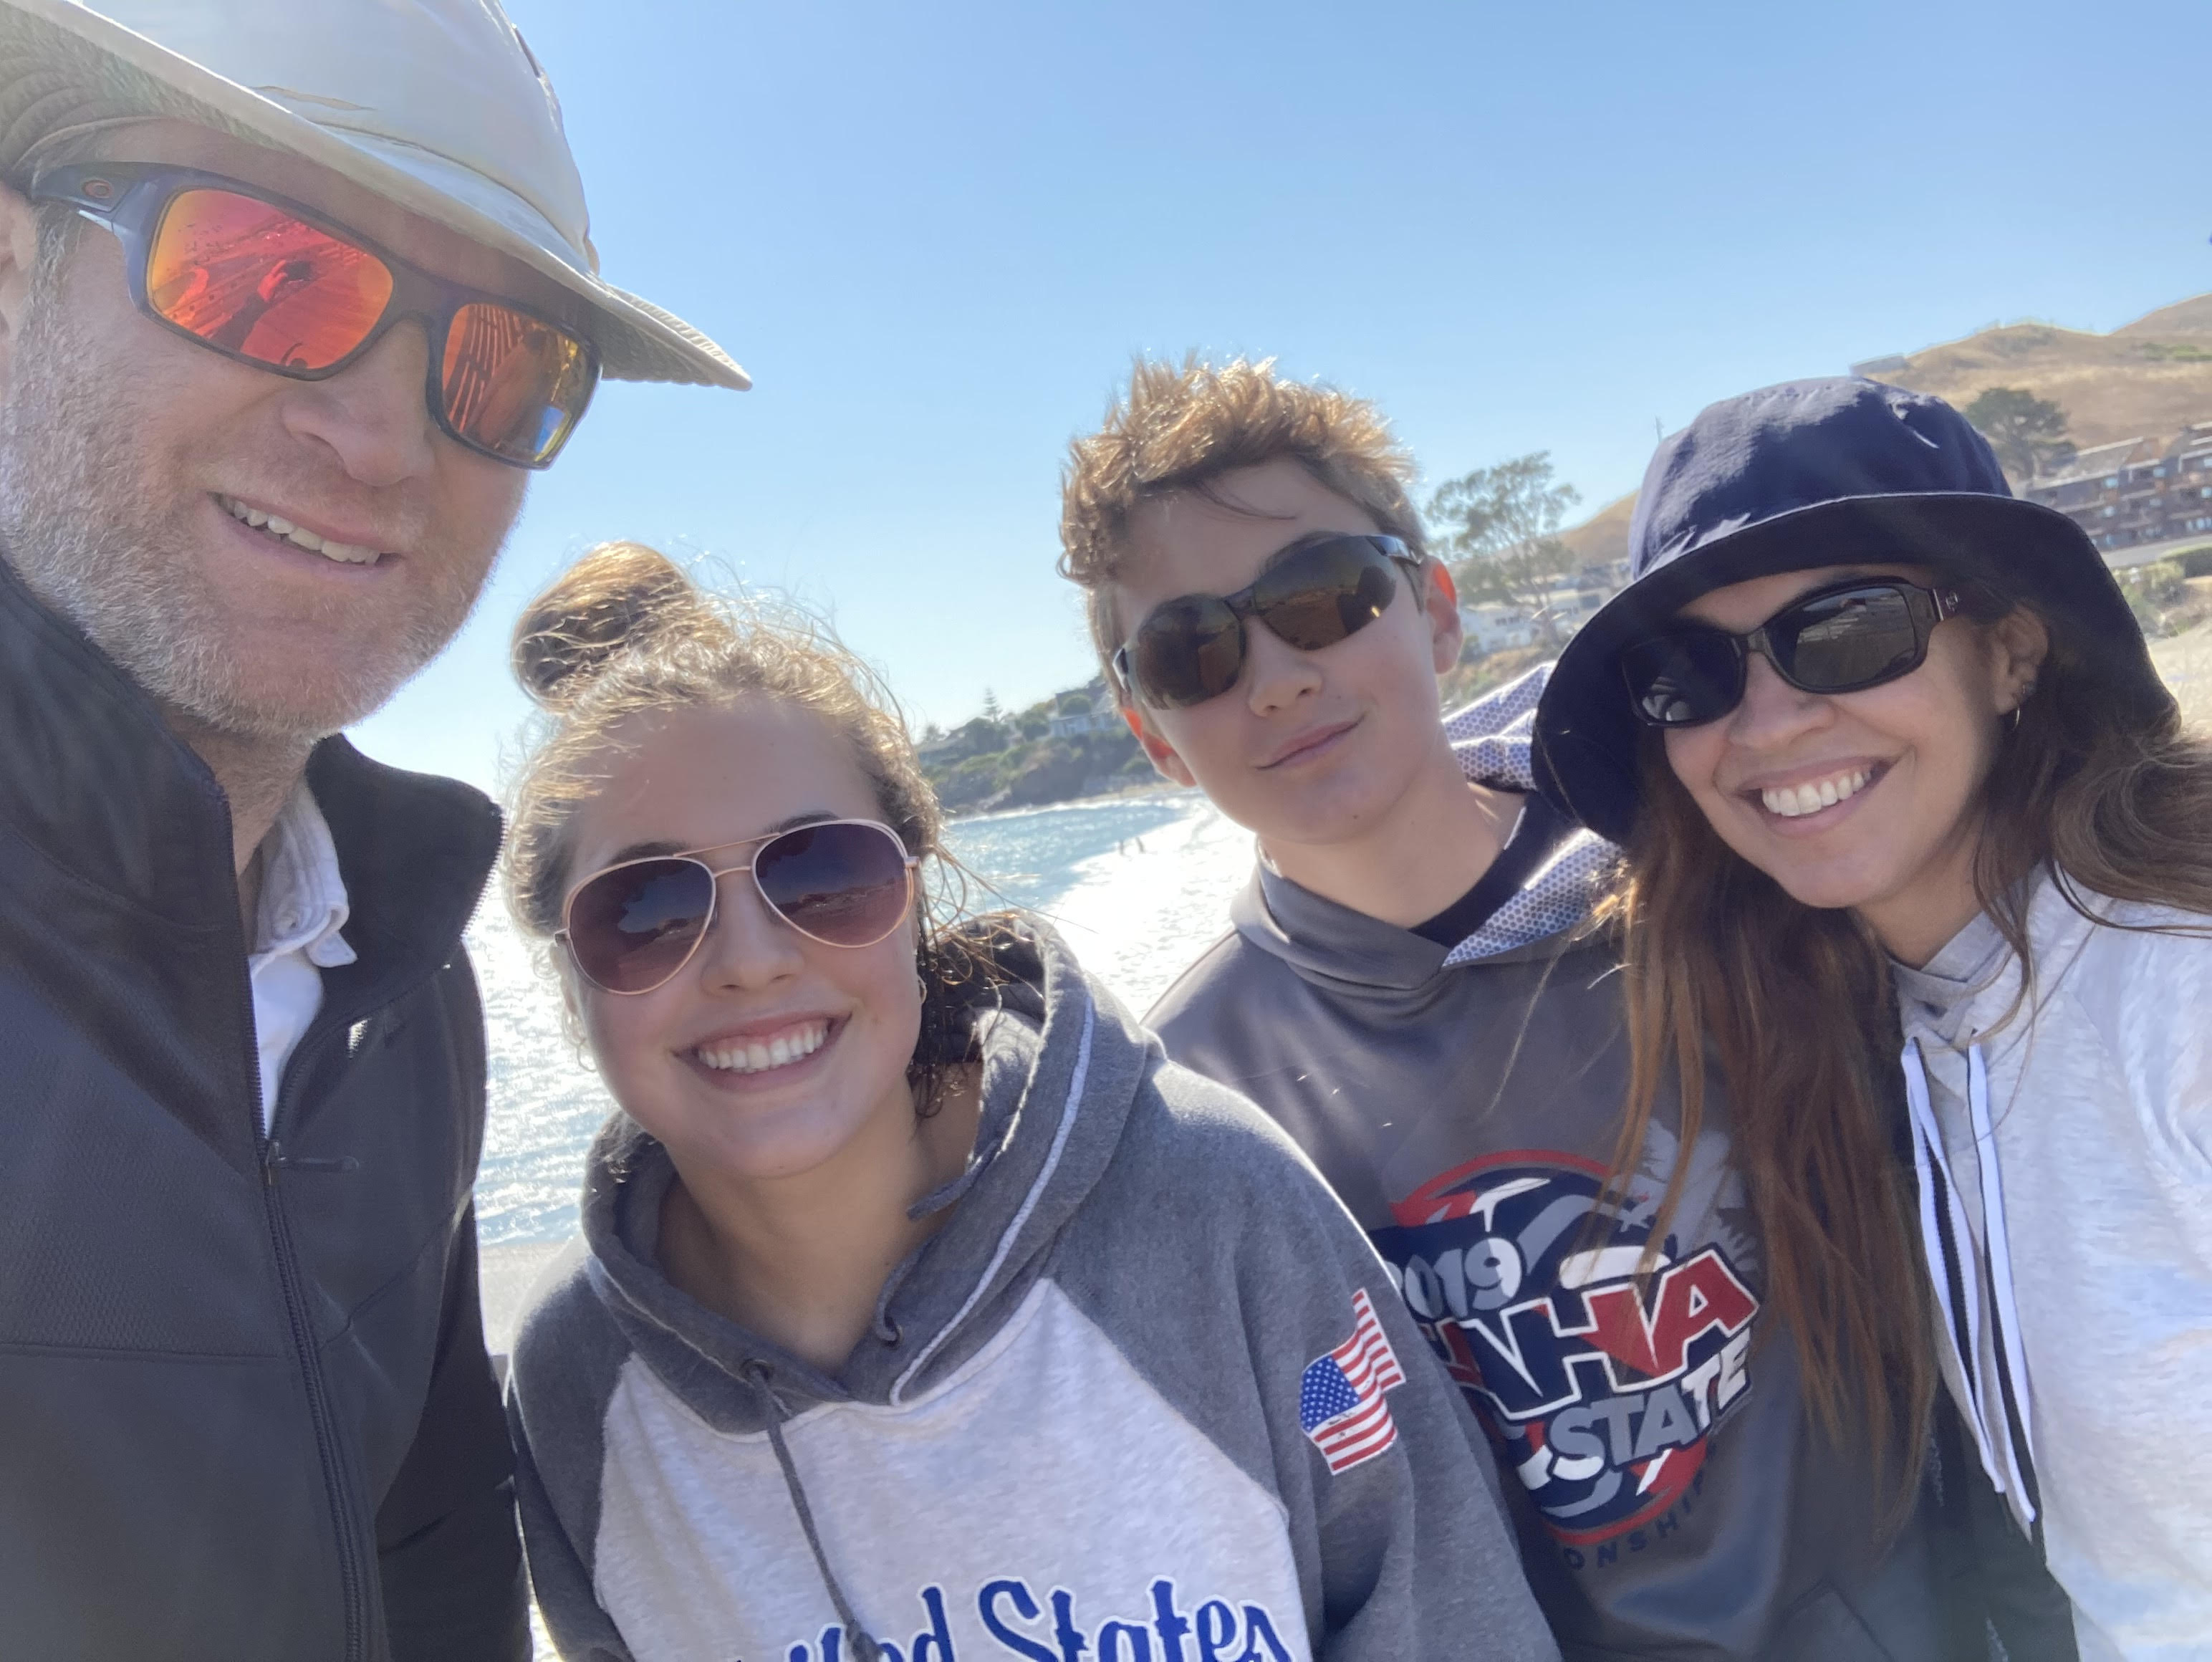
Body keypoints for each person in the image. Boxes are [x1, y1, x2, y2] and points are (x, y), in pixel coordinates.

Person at [0, 1, 746, 1656]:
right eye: (264, 272)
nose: (384, 436)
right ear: (12, 279)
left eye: (501, 364)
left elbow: (430, 1545)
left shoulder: (398, 984)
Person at [1056, 359, 1989, 1657]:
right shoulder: (1192, 1103)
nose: (1272, 677)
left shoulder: (1731, 880)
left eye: (1322, 598)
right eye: (1192, 649)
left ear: (1433, 611)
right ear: (1154, 731)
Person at [498, 542, 1559, 1662]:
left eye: (820, 875)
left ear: (913, 900)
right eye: (647, 910)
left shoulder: (1210, 1215)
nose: (750, 961)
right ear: (566, 970)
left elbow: (1443, 1614)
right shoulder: (579, 1380)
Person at [1532, 375, 2211, 1661]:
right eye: (1690, 672)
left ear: (2011, 653)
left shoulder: (2178, 987)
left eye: (1846, 630)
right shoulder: (1875, 1029)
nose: (1770, 722)